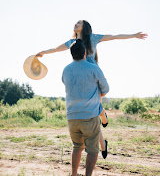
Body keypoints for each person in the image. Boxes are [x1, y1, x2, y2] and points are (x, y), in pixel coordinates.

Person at [36, 20, 148, 155]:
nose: (75, 24)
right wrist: (43, 52)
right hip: (80, 77)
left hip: (93, 74)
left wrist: (134, 35)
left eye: (78, 23)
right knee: (94, 114)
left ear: (85, 27)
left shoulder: (92, 38)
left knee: (95, 112)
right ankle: (103, 143)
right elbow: (55, 49)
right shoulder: (72, 42)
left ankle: (104, 119)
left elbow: (113, 36)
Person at [62, 39, 109, 176]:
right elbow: (105, 89)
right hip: (89, 116)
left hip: (72, 117)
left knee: (77, 147)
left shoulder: (66, 69)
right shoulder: (93, 68)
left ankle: (74, 174)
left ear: (71, 54)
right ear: (85, 53)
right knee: (93, 150)